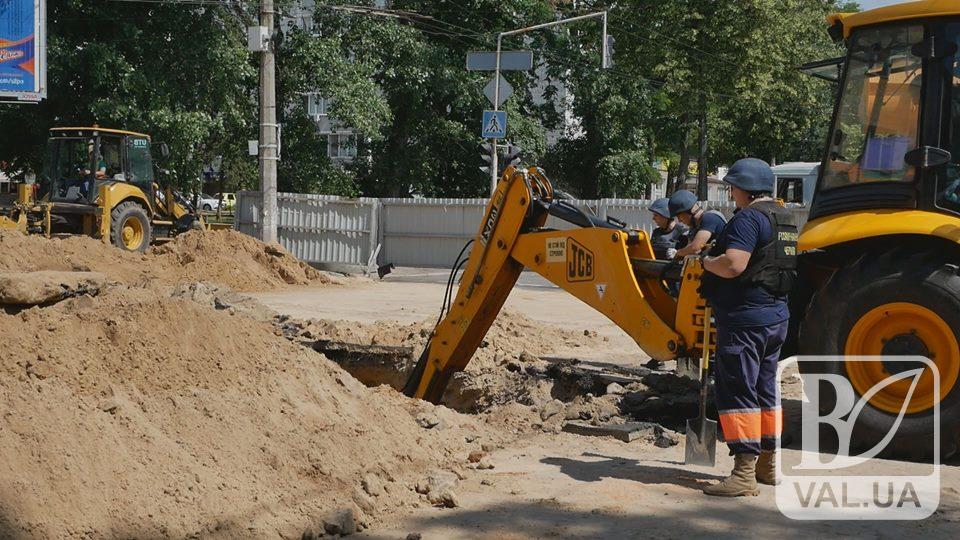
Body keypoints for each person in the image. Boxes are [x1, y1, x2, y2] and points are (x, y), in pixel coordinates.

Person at [699, 158, 798, 497]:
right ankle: (766, 466)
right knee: (765, 391)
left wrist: (707, 262)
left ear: (743, 188)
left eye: (732, 187)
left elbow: (734, 264)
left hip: (746, 321)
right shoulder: (783, 218)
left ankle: (743, 474)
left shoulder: (748, 218)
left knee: (738, 391)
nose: (730, 193)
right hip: (775, 318)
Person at [668, 189, 726, 258]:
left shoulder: (709, 218)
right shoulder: (695, 227)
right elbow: (689, 250)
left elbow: (695, 248)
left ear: (689, 211)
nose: (679, 220)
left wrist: (677, 253)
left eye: (679, 216)